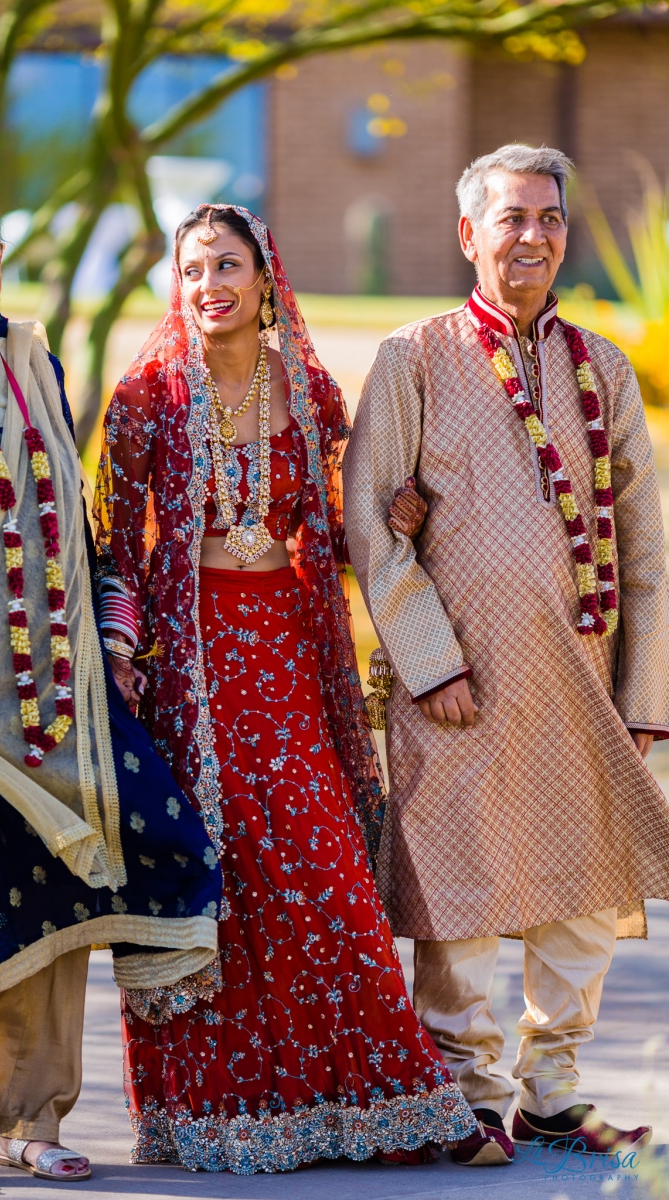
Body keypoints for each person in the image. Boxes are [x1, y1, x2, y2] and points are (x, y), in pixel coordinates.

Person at [91, 203, 512, 1175]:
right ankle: (211, 1116)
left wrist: (406, 509)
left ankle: (388, 1103)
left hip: (283, 656)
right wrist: (121, 656)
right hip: (189, 673)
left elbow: (347, 518)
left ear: (266, 276)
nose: (207, 285)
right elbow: (114, 547)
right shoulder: (146, 395)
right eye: (191, 269)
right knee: (217, 880)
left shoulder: (311, 394)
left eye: (226, 264)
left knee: (321, 871)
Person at [0, 181, 222, 1193]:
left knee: (42, 889)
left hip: (43, 683)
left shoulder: (35, 365)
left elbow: (74, 515)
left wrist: (106, 634)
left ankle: (30, 1118)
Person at [343, 143, 669, 1156]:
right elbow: (369, 522)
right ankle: (465, 1093)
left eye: (547, 219)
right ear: (465, 235)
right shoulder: (414, 357)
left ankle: (554, 1088)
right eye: (510, 218)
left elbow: (646, 540)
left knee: (581, 883)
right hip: (458, 684)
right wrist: (428, 659)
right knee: (461, 883)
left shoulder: (599, 365)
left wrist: (644, 687)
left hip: (580, 676)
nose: (530, 237)